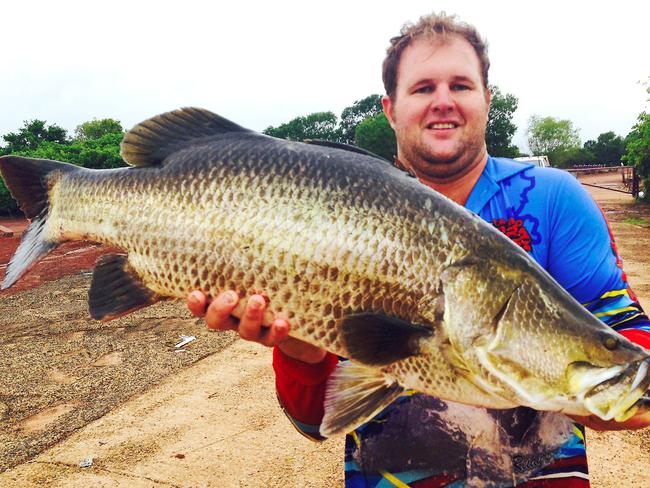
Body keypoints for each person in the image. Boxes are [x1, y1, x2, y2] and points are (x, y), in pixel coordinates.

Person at [187, 12, 650, 487]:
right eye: (423, 88)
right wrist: (298, 348)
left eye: (462, 85)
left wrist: (600, 394)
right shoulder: (330, 212)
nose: (443, 102)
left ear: (488, 100)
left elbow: (629, 340)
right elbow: (314, 422)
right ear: (390, 108)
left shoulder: (555, 199)